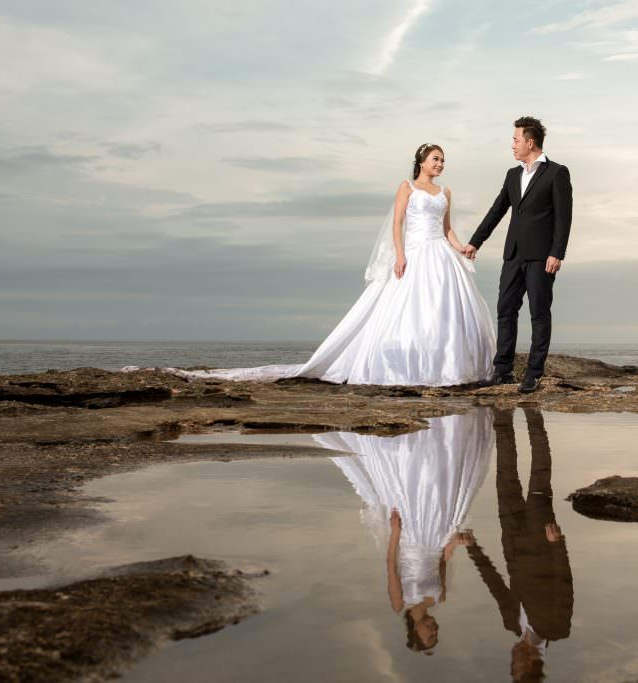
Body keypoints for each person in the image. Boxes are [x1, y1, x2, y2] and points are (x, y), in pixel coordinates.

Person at [125, 144, 495, 386]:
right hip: (414, 253)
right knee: (406, 311)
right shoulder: (407, 188)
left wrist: (463, 247)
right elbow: (397, 224)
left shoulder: (445, 193)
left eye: (443, 160)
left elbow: (447, 229)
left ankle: (445, 367)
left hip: (439, 255)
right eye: (435, 159)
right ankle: (403, 365)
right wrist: (400, 255)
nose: (440, 164)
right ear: (421, 162)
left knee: (443, 313)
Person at [313, 410, 494, 653]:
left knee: (412, 495)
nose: (434, 630)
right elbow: (442, 560)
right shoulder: (439, 598)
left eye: (429, 635)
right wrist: (455, 542)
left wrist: (395, 531)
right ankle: (435, 440)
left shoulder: (400, 604)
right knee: (436, 490)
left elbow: (391, 566)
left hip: (410, 541)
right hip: (435, 537)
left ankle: (410, 446)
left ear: (414, 632)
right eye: (436, 634)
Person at [463, 117, 573, 393]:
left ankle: (534, 373)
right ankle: (503, 371)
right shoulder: (512, 175)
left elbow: (564, 218)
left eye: (515, 139)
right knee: (505, 310)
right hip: (513, 254)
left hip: (541, 256)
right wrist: (476, 242)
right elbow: (497, 210)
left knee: (538, 312)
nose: (512, 145)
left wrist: (557, 252)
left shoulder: (557, 173)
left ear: (529, 142)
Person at [465, 408, 574, 682]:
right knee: (539, 473)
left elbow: (496, 585)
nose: (514, 658)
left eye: (513, 665)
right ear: (534, 665)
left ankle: (503, 414)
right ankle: (534, 415)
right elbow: (565, 585)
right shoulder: (557, 628)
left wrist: (472, 547)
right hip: (542, 541)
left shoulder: (511, 623)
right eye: (519, 665)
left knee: (506, 473)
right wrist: (557, 545)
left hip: (512, 539)